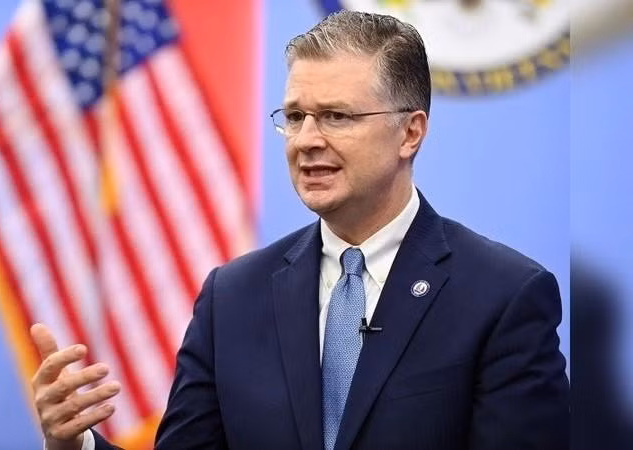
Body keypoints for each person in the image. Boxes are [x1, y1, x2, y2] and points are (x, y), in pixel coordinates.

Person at [30, 10, 570, 450]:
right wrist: (75, 445)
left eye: (336, 116)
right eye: (294, 117)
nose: (306, 140)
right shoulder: (231, 298)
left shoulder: (503, 296)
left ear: (410, 133)